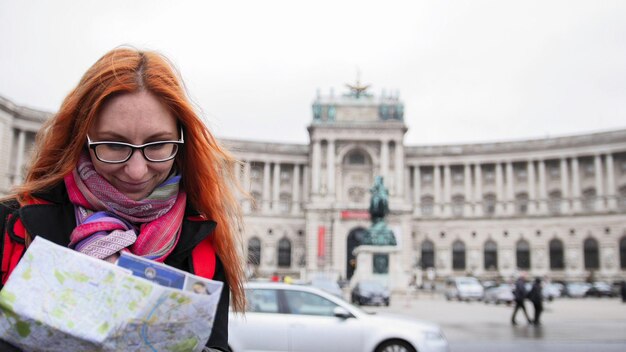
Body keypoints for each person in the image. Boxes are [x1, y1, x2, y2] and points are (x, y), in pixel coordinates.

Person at [0, 47, 246, 351]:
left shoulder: (203, 246)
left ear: (181, 143)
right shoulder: (12, 225)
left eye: (158, 144)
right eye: (114, 145)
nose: (136, 171)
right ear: (83, 138)